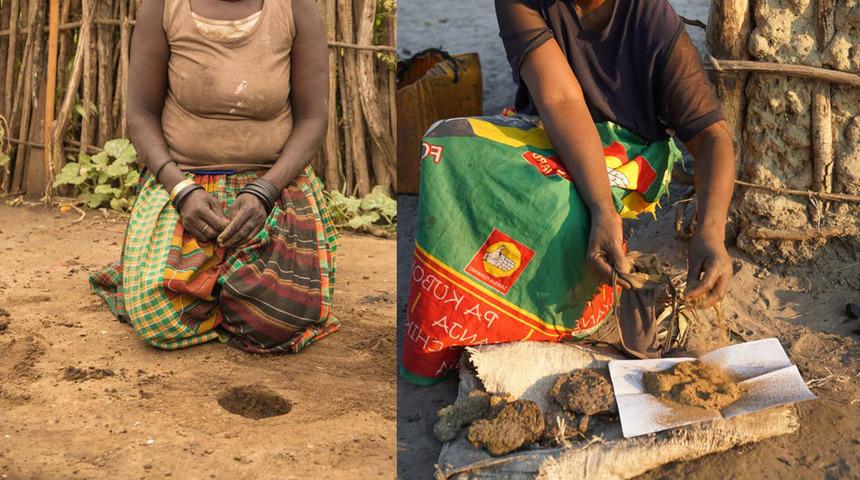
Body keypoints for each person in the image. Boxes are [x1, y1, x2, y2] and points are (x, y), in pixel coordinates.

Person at [401, 0, 734, 385]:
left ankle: (592, 318)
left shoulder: (652, 18)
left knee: (559, 206)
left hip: (626, 156)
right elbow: (560, 98)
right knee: (445, 147)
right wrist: (602, 209)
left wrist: (711, 232)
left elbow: (712, 136)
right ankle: (458, 323)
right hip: (546, 130)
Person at [90, 0, 339, 353]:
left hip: (273, 186)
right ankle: (218, 289)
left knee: (277, 320)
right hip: (184, 185)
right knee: (156, 319)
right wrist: (180, 189)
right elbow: (141, 113)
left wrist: (264, 191)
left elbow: (314, 118)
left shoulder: (295, 7)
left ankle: (219, 291)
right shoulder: (162, 7)